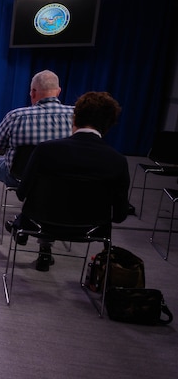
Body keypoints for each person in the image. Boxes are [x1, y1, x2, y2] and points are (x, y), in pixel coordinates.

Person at [10, 91, 130, 271]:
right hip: (92, 228)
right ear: (108, 126)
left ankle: (29, 237)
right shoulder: (118, 161)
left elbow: (22, 194)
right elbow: (120, 215)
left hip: (40, 222)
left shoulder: (45, 150)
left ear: (74, 118)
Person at [0, 70, 73, 223]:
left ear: (33, 92)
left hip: (19, 178)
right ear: (58, 92)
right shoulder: (76, 115)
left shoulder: (16, 116)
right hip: (62, 179)